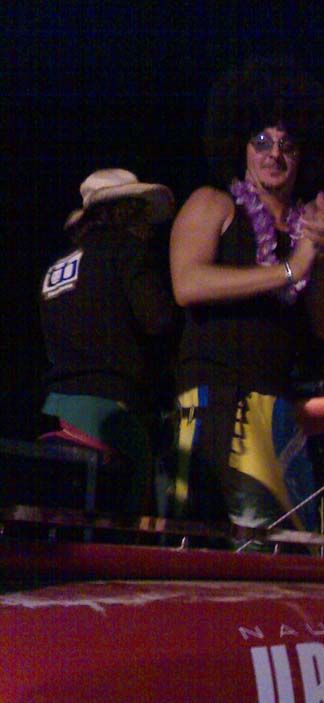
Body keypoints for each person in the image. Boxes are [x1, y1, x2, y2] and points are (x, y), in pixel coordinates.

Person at [170, 58, 324, 535]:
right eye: (262, 141)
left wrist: (320, 255)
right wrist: (288, 270)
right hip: (217, 402)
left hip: (283, 408)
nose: (274, 155)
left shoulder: (306, 230)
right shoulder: (213, 203)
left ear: (303, 155)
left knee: (291, 549)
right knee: (217, 552)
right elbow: (187, 284)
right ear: (241, 147)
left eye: (288, 145)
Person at [39, 168, 179, 514]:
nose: (149, 226)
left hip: (57, 406)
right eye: (141, 213)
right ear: (123, 211)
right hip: (111, 406)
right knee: (139, 512)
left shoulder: (57, 265)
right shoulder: (125, 248)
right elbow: (159, 320)